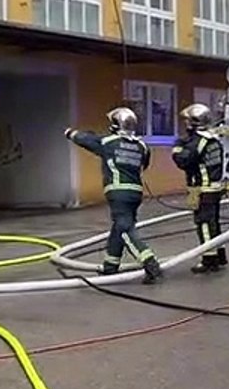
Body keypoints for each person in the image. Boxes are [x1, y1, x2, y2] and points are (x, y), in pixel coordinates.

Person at [64, 107, 163, 284]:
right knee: (120, 226)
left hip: (118, 191)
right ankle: (111, 266)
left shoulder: (108, 142)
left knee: (125, 229)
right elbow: (144, 165)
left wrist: (70, 133)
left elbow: (87, 139)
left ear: (117, 125)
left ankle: (149, 263)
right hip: (136, 192)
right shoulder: (142, 146)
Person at [171, 103, 228, 273]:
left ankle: (209, 259)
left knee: (203, 223)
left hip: (202, 188)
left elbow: (183, 161)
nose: (185, 124)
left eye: (187, 121)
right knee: (214, 223)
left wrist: (177, 147)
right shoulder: (214, 139)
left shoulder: (198, 142)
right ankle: (220, 255)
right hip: (215, 187)